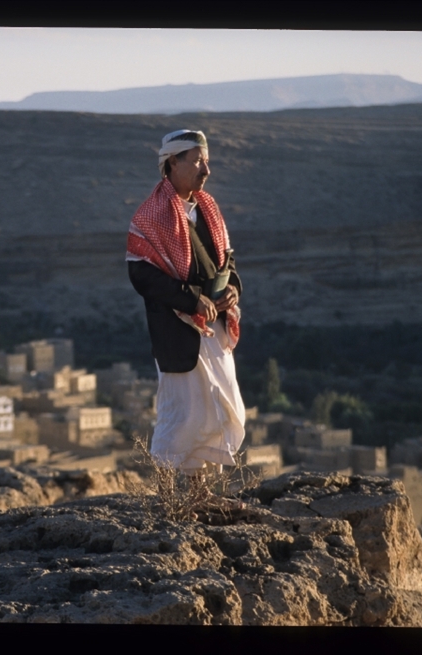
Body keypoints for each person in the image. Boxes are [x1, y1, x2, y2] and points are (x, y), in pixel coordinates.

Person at [126, 129, 247, 512]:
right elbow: (142, 275)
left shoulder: (208, 208)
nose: (205, 170)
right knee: (181, 412)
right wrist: (191, 299)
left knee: (215, 406)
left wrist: (232, 291)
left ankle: (198, 492)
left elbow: (226, 262)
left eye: (206, 161)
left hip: (213, 328)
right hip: (177, 331)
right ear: (172, 163)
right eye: (196, 161)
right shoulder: (151, 215)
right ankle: (166, 496)